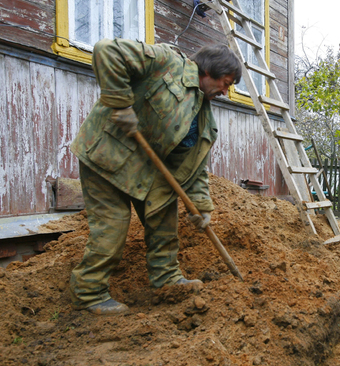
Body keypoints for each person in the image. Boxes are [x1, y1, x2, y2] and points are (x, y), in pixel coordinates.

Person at [69, 39, 242, 315]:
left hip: (147, 171)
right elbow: (107, 51)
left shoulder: (205, 117)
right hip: (108, 156)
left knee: (164, 220)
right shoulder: (166, 62)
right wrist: (120, 103)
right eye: (226, 82)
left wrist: (201, 206)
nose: (226, 90)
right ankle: (89, 293)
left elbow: (195, 167)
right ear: (208, 71)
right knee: (112, 228)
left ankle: (167, 280)